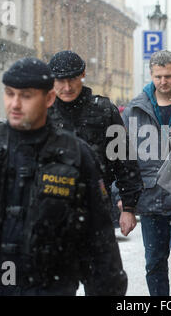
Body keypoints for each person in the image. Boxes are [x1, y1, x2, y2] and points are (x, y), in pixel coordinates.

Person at [0, 58, 127, 296]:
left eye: (26, 96)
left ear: (48, 99)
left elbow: (99, 238)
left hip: (50, 285)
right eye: (9, 93)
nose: (15, 104)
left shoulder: (75, 155)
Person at [114, 50, 171, 296]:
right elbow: (121, 158)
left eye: (168, 76)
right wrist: (123, 199)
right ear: (151, 75)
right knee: (154, 261)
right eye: (158, 76)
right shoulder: (135, 110)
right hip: (151, 198)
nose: (163, 81)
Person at [48, 50, 143, 235]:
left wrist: (129, 207)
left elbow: (125, 162)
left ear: (82, 75)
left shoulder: (104, 111)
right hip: (51, 207)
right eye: (60, 81)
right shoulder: (42, 113)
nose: (67, 87)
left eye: (72, 79)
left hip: (95, 205)